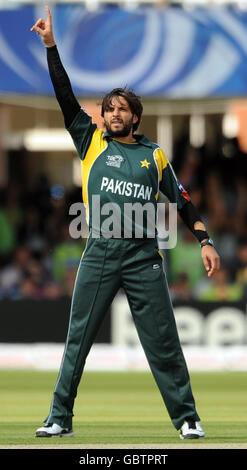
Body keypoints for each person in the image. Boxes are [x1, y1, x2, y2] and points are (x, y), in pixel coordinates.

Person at [31, 6, 220, 440]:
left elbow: (184, 202)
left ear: (135, 116)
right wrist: (51, 47)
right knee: (78, 340)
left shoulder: (154, 155)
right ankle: (60, 417)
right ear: (102, 116)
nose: (114, 115)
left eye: (122, 110)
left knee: (163, 342)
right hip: (98, 252)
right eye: (109, 109)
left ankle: (187, 418)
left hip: (142, 257)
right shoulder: (91, 141)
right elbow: (64, 96)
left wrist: (205, 241)